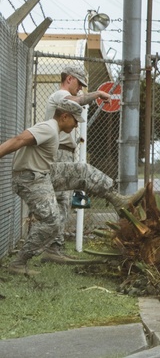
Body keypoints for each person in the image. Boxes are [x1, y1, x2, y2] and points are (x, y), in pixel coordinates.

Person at [0, 99, 143, 275]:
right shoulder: (48, 128)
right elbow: (19, 139)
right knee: (52, 221)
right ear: (64, 116)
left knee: (82, 171)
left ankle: (118, 200)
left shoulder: (53, 129)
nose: (76, 125)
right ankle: (19, 263)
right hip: (29, 178)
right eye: (75, 120)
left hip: (44, 173)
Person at [42, 64, 113, 263]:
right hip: (59, 153)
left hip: (64, 153)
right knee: (60, 201)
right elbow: (78, 100)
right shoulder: (59, 95)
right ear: (69, 79)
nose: (80, 89)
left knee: (63, 201)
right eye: (79, 84)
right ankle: (52, 247)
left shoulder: (63, 96)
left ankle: (54, 246)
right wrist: (98, 93)